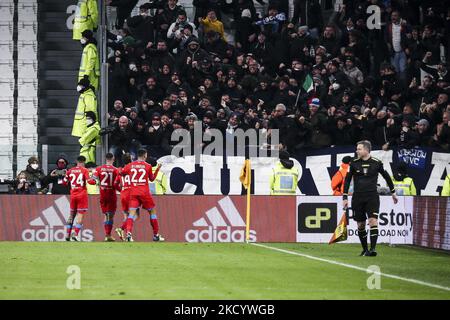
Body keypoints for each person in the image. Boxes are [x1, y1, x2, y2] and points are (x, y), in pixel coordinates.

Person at [343, 140, 398, 257]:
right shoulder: (353, 163)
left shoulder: (376, 163)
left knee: (373, 221)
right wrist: (345, 196)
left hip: (372, 196)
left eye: (359, 149)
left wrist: (393, 192)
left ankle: (372, 249)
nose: (357, 151)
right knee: (360, 225)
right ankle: (365, 249)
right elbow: (347, 180)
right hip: (357, 197)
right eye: (357, 149)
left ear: (366, 150)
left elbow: (387, 176)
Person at [121, 149, 164, 242]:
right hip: (144, 193)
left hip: (133, 192)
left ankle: (128, 234)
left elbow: (122, 173)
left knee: (131, 214)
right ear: (145, 156)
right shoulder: (148, 166)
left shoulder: (130, 165)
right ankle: (156, 235)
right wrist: (157, 169)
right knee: (152, 212)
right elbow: (152, 179)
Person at [64, 156, 95, 241]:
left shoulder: (70, 170)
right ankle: (75, 233)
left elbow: (64, 182)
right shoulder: (85, 170)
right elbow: (90, 181)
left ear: (77, 161)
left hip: (73, 195)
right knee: (80, 215)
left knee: (71, 215)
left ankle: (67, 234)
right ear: (84, 162)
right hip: (82, 194)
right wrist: (95, 180)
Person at [90, 153, 119, 241]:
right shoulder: (116, 170)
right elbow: (117, 183)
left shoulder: (98, 169)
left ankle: (107, 234)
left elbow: (92, 180)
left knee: (106, 214)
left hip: (102, 194)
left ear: (106, 159)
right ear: (113, 159)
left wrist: (96, 182)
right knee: (110, 215)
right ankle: (108, 235)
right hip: (111, 194)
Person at [114, 153, 133, 241]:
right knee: (133, 215)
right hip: (131, 193)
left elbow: (115, 184)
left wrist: (121, 190)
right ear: (131, 159)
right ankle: (125, 231)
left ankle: (126, 234)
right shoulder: (133, 169)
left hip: (123, 193)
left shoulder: (120, 170)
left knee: (126, 215)